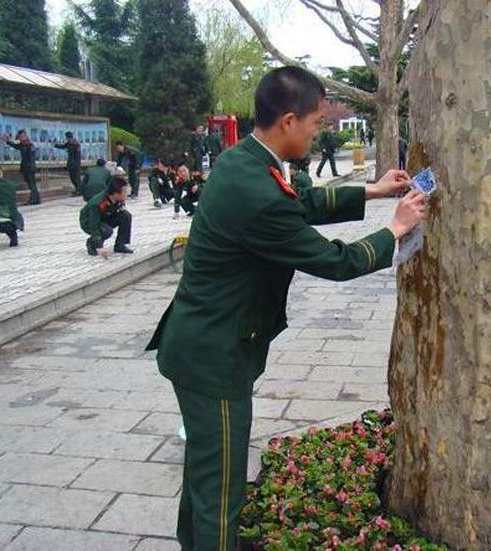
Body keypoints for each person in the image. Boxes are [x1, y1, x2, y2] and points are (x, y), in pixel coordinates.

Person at [145, 65, 426, 551]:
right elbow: (335, 261)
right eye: (317, 123)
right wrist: (396, 230)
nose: (319, 133)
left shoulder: (246, 161)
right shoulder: (257, 189)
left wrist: (374, 191)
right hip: (216, 360)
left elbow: (299, 200)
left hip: (198, 344)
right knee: (222, 488)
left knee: (205, 472)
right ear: (290, 120)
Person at [79, 175, 133, 256]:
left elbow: (119, 210)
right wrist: (99, 246)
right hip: (89, 221)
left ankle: (120, 245)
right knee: (107, 230)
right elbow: (94, 224)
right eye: (124, 192)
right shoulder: (98, 203)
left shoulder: (118, 199)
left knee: (126, 216)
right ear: (116, 193)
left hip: (105, 217)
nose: (126, 194)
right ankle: (91, 243)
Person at [2, 130, 40, 205]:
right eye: (19, 137)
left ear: (25, 136)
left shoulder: (29, 145)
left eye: (22, 136)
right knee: (31, 184)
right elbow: (15, 146)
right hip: (26, 168)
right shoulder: (22, 145)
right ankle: (35, 199)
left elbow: (32, 157)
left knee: (32, 184)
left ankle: (35, 199)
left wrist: (30, 168)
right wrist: (7, 141)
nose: (20, 138)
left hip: (30, 168)